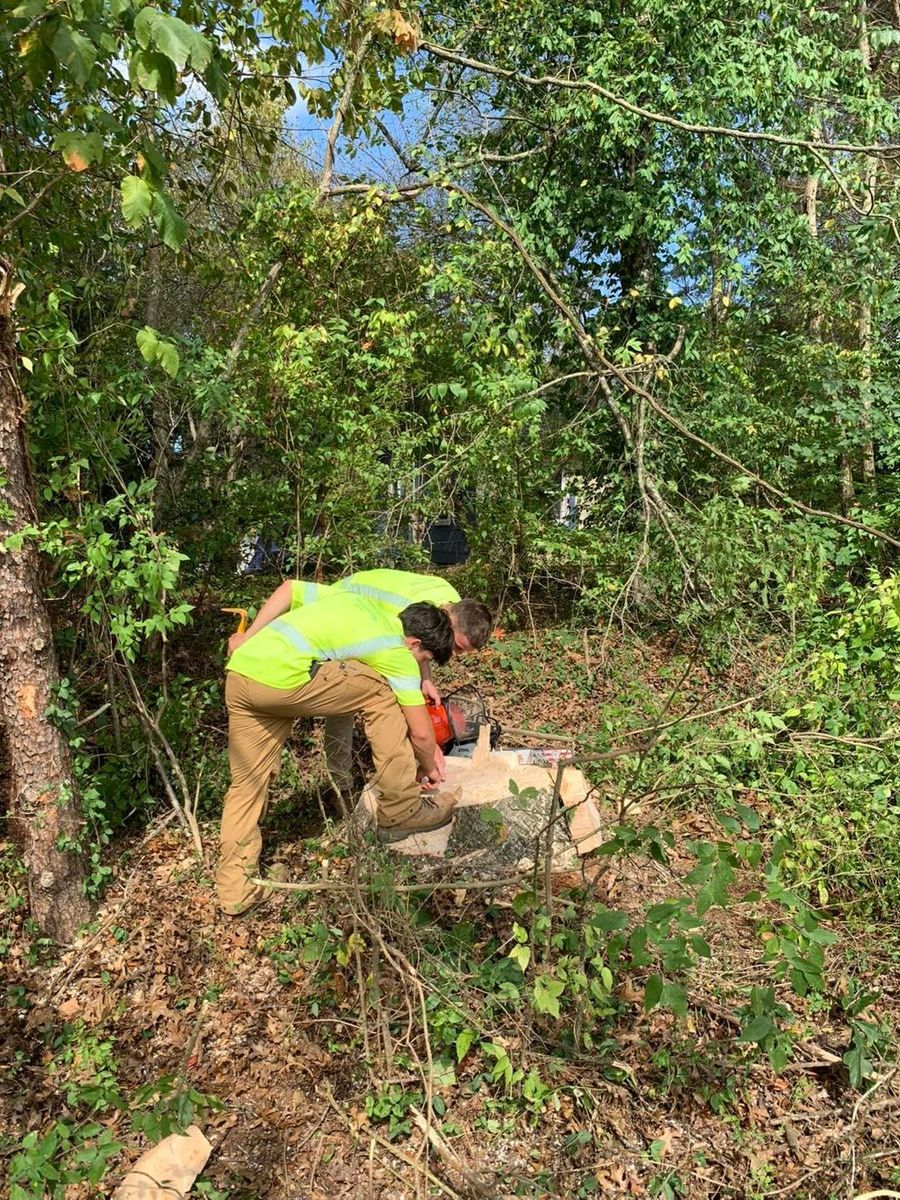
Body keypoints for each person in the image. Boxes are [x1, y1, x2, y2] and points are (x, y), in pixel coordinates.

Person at [218, 594, 457, 915]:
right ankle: (401, 809)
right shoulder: (398, 654)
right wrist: (429, 766)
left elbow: (294, 592)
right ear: (414, 643)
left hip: (242, 673)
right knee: (382, 689)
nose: (420, 666)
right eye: (423, 658)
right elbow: (423, 733)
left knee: (245, 787)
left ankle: (236, 894)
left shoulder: (369, 606)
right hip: (285, 679)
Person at [228, 569, 493, 799]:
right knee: (375, 695)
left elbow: (417, 648)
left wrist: (426, 679)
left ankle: (394, 784)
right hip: (335, 623)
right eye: (457, 647)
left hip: (267, 669)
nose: (455, 655)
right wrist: (426, 749)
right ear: (449, 619)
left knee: (388, 693)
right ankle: (352, 789)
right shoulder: (399, 614)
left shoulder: (446, 602)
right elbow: (290, 590)